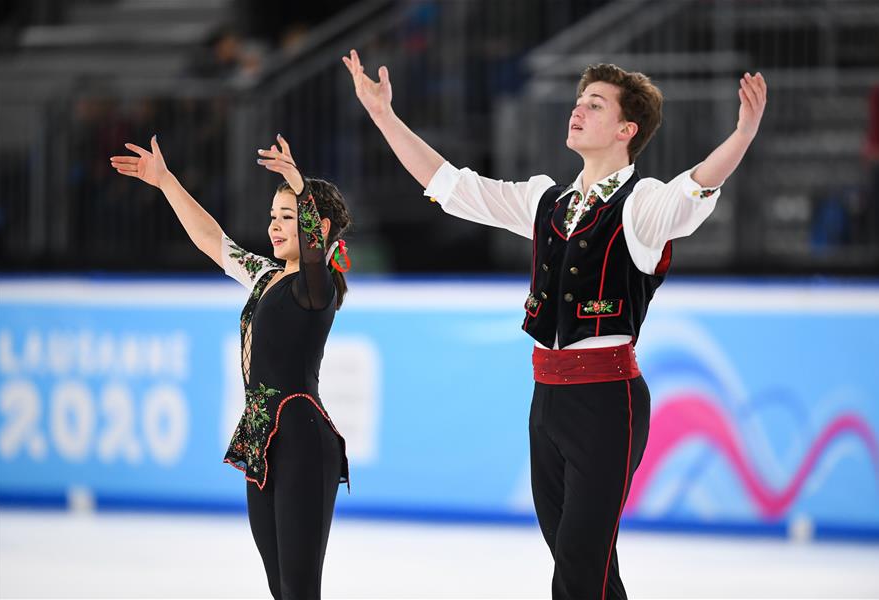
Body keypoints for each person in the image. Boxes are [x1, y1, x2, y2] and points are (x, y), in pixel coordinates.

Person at [343, 49, 766, 600]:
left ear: (625, 129)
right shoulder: (545, 200)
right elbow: (451, 186)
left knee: (578, 563)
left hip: (608, 402)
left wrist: (743, 135)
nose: (578, 110)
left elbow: (695, 189)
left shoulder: (642, 206)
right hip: (547, 400)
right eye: (577, 101)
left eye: (595, 104)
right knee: (586, 564)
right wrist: (383, 116)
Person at [110, 133, 352, 599]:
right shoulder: (265, 276)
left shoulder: (316, 287)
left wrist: (300, 187)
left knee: (300, 590)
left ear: (315, 228)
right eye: (272, 218)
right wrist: (166, 183)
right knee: (280, 588)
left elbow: (315, 258)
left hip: (301, 438)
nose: (275, 227)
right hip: (260, 439)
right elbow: (212, 240)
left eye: (287, 217)